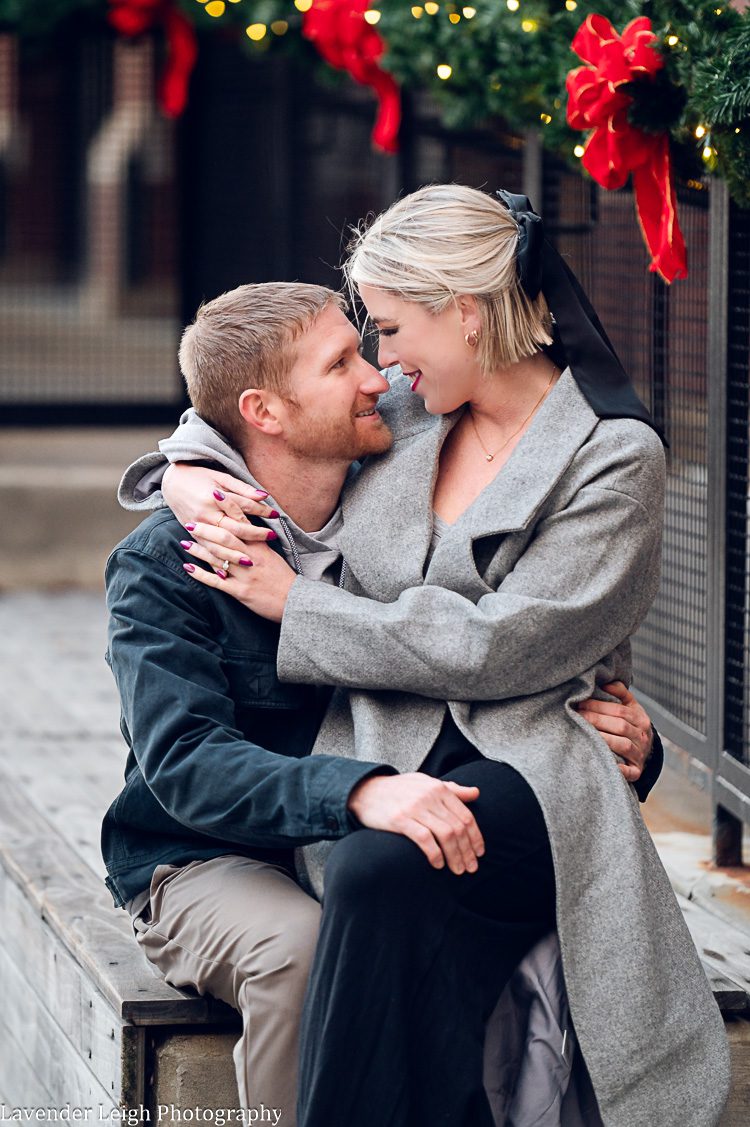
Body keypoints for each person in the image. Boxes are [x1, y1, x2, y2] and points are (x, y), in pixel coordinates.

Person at [164, 186, 730, 1126]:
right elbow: (247, 412)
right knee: (378, 885)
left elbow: (502, 645)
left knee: (382, 870)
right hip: (380, 744)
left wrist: (299, 606)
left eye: (390, 329)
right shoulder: (411, 413)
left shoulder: (612, 456)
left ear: (465, 311)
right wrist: (185, 476)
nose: (380, 361)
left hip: (531, 766)